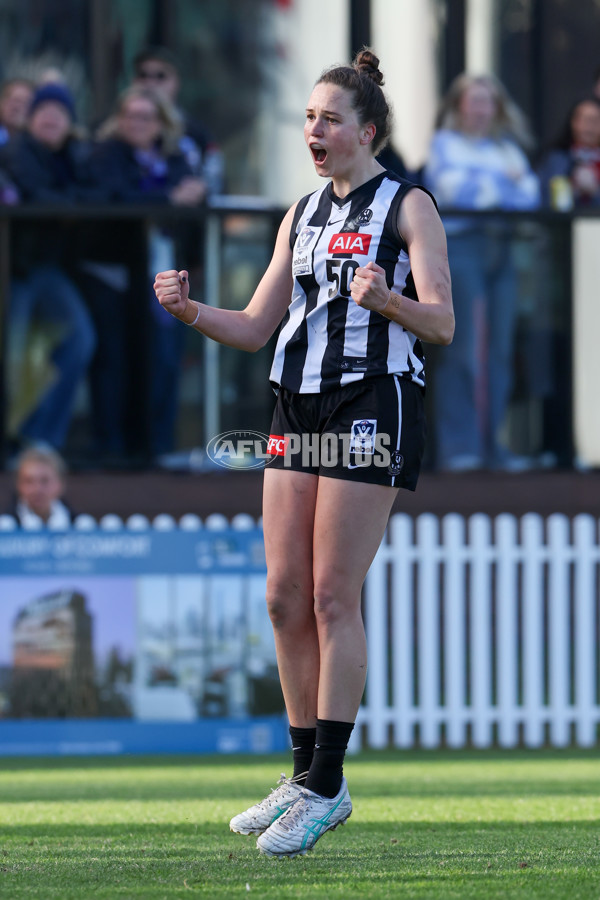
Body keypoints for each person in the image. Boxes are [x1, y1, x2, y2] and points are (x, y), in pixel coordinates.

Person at [155, 48, 453, 857]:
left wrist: (387, 300)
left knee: (330, 595)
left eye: (329, 120)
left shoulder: (408, 206)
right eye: (309, 119)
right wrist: (190, 312)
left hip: (372, 400)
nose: (314, 132)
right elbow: (257, 327)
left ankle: (327, 783)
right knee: (283, 596)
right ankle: (303, 775)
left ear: (368, 131)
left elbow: (442, 322)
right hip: (296, 400)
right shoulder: (303, 213)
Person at [423, 73, 540, 472]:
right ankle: (460, 448)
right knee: (464, 350)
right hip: (462, 250)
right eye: (473, 100)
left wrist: (484, 185)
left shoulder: (507, 149)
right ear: (459, 106)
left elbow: (531, 196)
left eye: (487, 101)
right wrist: (503, 185)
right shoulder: (444, 144)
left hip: (502, 250)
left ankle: (494, 447)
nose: (480, 109)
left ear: (497, 108)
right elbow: (452, 193)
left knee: (500, 353)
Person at [85, 86, 206, 457]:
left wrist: (190, 194)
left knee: (161, 361)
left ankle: (155, 449)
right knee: (114, 362)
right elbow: (114, 197)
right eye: (130, 115)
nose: (136, 123)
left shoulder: (174, 158)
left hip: (160, 276)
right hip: (111, 274)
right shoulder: (105, 154)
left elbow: (194, 197)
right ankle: (112, 452)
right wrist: (169, 198)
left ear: (161, 123)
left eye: (145, 117)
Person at [3, 81, 99, 452]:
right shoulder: (17, 150)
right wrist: (74, 204)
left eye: (59, 113)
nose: (50, 119)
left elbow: (96, 194)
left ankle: (40, 441)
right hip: (12, 271)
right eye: (43, 111)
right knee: (9, 358)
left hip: (46, 270)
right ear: (30, 119)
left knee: (80, 340)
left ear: (70, 122)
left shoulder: (75, 154)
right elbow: (37, 194)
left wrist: (71, 203)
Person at [132, 45, 224, 196]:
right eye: (143, 75)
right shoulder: (114, 130)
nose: (150, 83)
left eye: (160, 76)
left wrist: (200, 189)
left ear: (176, 81)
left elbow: (214, 180)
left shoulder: (196, 132)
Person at [538, 97, 600, 208]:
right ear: (573, 122)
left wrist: (595, 191)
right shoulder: (557, 159)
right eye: (585, 120)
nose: (589, 127)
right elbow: (545, 200)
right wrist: (574, 190)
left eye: (595, 121)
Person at [5, 447, 75, 528]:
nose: (37, 489)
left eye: (44, 481)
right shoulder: (5, 526)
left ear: (60, 484)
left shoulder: (81, 525)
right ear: (18, 485)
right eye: (29, 481)